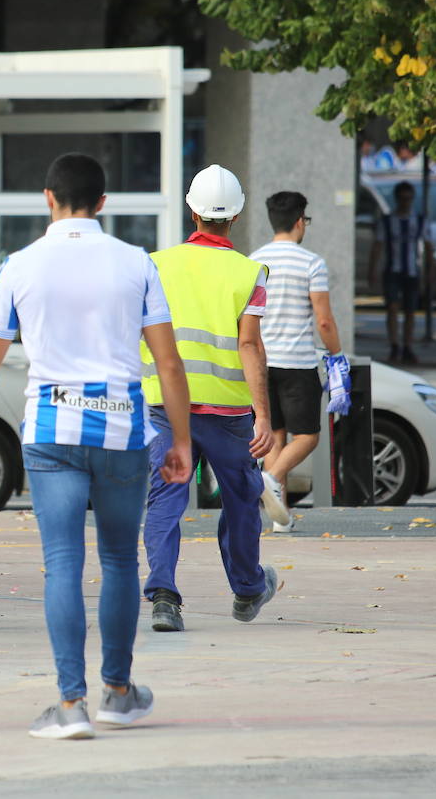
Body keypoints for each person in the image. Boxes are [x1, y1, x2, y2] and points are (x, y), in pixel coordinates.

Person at [0, 152, 192, 739]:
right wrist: (181, 439)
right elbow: (167, 360)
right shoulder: (137, 264)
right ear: (103, 203)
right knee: (117, 559)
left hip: (52, 430)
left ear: (48, 198)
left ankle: (69, 703)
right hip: (121, 429)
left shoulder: (20, 266)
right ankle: (117, 691)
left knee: (62, 563)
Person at [139, 164, 281, 635]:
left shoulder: (155, 264)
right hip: (228, 412)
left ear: (191, 209)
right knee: (242, 500)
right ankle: (247, 588)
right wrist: (264, 414)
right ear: (236, 216)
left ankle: (163, 597)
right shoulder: (249, 272)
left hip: (165, 407)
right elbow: (249, 346)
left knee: (165, 500)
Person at [250, 191, 344, 532]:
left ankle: (281, 518)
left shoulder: (254, 260)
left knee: (274, 436)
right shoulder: (311, 263)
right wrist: (337, 356)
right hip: (298, 363)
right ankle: (270, 477)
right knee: (308, 436)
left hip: (261, 361)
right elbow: (324, 321)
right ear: (299, 221)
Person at [368, 181, 430, 365]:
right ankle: (395, 344)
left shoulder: (419, 220)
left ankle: (407, 346)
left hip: (412, 271)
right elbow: (377, 246)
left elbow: (428, 247)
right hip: (392, 270)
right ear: (397, 199)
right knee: (393, 308)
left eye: (408, 199)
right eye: (402, 199)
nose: (405, 202)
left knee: (410, 311)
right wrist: (372, 270)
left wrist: (429, 272)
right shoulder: (387, 221)